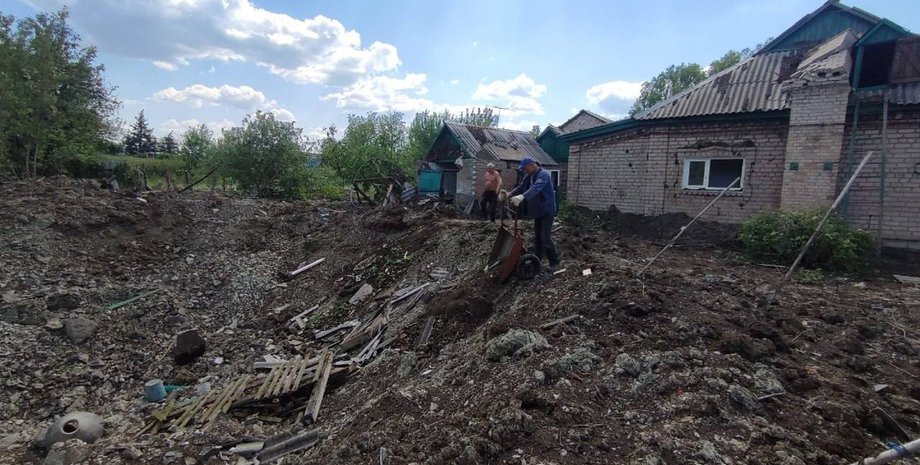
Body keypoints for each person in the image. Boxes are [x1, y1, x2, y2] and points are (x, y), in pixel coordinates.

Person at [503, 157, 560, 272]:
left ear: (532, 165)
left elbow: (536, 188)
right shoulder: (529, 176)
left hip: (547, 210)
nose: (525, 171)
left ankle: (555, 263)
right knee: (537, 238)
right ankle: (537, 261)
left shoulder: (543, 175)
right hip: (538, 210)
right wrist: (510, 194)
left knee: (545, 237)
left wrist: (522, 197)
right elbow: (522, 187)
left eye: (525, 168)